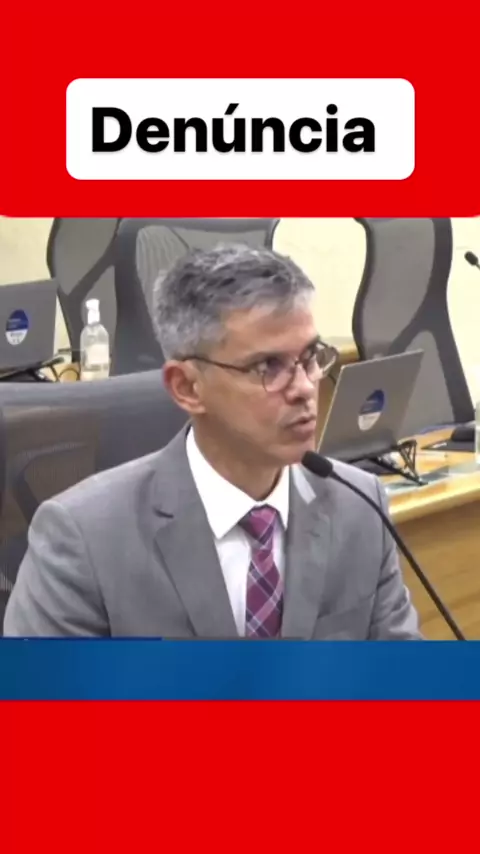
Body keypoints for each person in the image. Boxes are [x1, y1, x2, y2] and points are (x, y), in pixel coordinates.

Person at [3, 245, 421, 639]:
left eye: (311, 357)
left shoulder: (359, 506)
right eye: (268, 366)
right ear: (187, 387)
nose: (304, 388)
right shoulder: (83, 538)